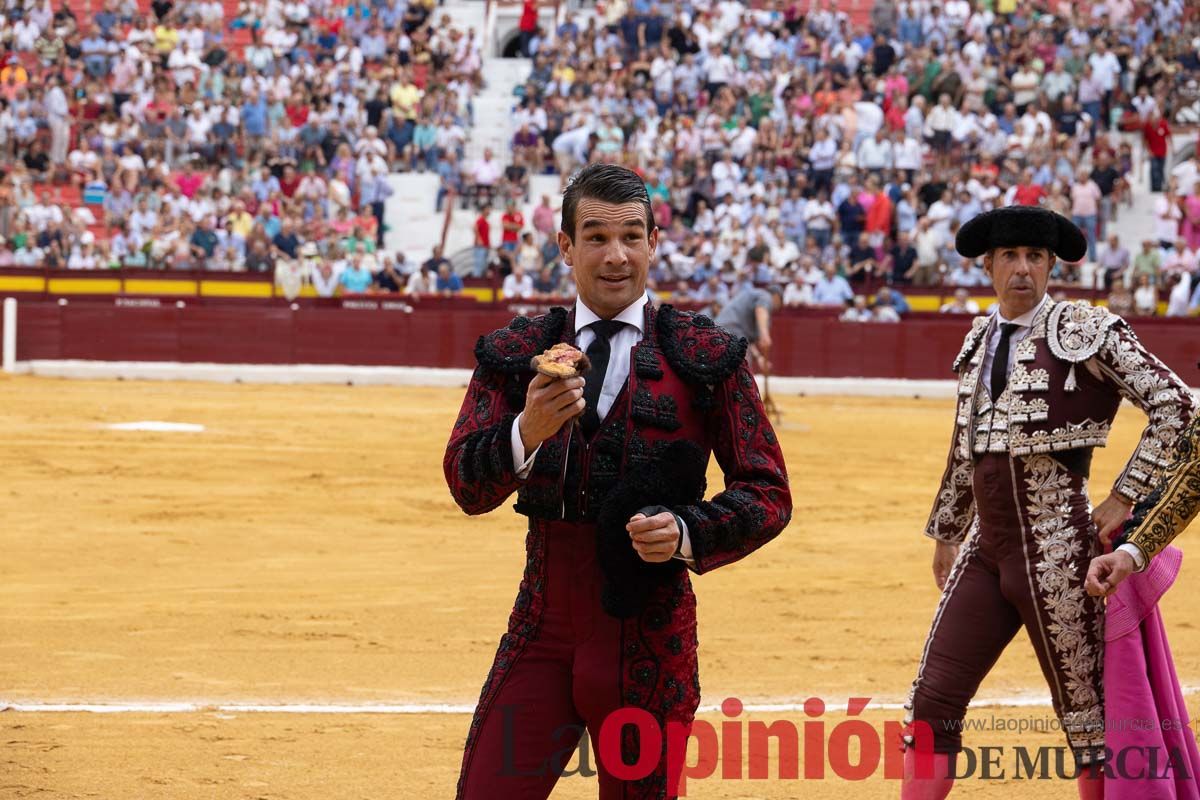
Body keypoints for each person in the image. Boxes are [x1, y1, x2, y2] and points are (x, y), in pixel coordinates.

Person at [444, 164, 791, 800]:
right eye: (597, 237)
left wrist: (688, 531)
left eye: (632, 236)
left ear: (654, 243)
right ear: (566, 246)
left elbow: (768, 492)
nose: (616, 256)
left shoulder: (705, 355)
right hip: (541, 631)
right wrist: (527, 431)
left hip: (651, 641)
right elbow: (465, 481)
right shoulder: (517, 350)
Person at [901, 206, 1196, 799]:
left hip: (1062, 553)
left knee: (1089, 723)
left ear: (1050, 265)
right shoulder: (978, 340)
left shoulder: (1086, 330)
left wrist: (1125, 495)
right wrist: (948, 531)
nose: (1022, 269)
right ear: (987, 266)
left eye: (1035, 257)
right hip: (987, 550)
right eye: (1009, 256)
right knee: (932, 701)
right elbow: (966, 446)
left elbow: (1178, 406)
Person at [714, 283, 783, 370]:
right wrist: (764, 334)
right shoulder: (766, 296)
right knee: (742, 367)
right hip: (732, 330)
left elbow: (747, 342)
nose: (774, 309)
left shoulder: (752, 295)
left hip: (721, 331)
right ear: (777, 297)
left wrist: (759, 358)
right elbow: (761, 310)